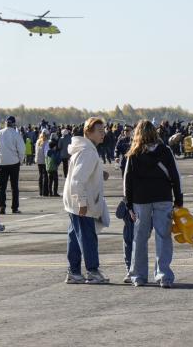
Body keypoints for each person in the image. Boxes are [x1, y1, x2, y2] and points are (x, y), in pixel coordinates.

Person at [124, 120, 183, 288]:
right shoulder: (165, 151)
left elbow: (127, 180)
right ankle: (164, 275)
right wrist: (178, 199)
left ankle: (139, 276)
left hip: (140, 200)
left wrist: (128, 204)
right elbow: (175, 176)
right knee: (163, 236)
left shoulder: (134, 154)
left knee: (140, 238)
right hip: (163, 197)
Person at [62, 117, 110, 284]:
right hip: (81, 202)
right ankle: (92, 271)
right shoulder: (88, 151)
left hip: (72, 200)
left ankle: (74, 272)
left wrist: (100, 174)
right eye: (99, 131)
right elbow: (78, 179)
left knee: (75, 236)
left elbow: (80, 174)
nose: (103, 133)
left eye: (104, 130)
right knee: (87, 236)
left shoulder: (83, 149)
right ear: (88, 133)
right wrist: (82, 202)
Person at [0, 116, 25, 214]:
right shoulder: (16, 134)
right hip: (14, 162)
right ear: (14, 123)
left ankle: (2, 206)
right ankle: (14, 208)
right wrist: (21, 160)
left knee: (2, 187)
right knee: (14, 186)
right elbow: (21, 150)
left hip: (1, 162)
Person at [35, 129, 50, 196]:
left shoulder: (38, 141)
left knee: (40, 175)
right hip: (44, 160)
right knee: (45, 176)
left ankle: (40, 191)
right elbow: (46, 153)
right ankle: (45, 192)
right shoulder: (46, 142)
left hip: (38, 160)